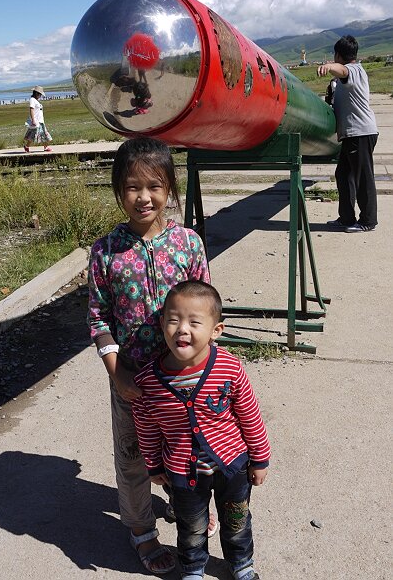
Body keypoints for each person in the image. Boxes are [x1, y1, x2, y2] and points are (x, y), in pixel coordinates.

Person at [87, 137, 212, 575]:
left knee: (187, 447)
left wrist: (208, 366)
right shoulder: (105, 252)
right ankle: (141, 532)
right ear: (119, 190)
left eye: (155, 186)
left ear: (170, 188)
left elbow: (204, 306)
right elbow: (99, 319)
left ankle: (187, 504)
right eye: (132, 187)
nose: (144, 198)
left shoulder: (189, 244)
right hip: (133, 380)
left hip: (184, 381)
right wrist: (118, 372)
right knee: (134, 458)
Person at [132, 280, 271, 580]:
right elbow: (146, 427)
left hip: (232, 466)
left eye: (195, 322)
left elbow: (250, 415)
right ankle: (194, 567)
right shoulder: (148, 382)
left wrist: (260, 459)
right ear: (161, 324)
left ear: (215, 330)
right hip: (183, 473)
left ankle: (241, 563)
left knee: (237, 520)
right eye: (173, 320)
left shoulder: (229, 368)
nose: (183, 329)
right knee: (191, 525)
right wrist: (154, 464)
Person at [317, 35, 378, 233]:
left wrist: (328, 66)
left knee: (362, 178)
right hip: (352, 135)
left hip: (359, 133)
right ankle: (346, 218)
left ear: (338, 55)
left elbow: (342, 70)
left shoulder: (353, 70)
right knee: (343, 175)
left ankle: (368, 221)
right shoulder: (347, 77)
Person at [23, 85, 53, 153]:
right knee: (34, 135)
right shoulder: (32, 100)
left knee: (42, 134)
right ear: (37, 93)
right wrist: (33, 120)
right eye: (40, 95)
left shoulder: (35, 100)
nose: (40, 96)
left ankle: (44, 147)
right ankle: (27, 147)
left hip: (40, 121)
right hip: (36, 121)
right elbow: (31, 109)